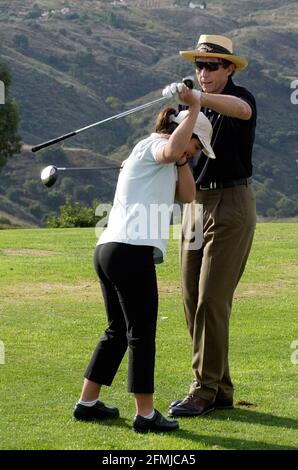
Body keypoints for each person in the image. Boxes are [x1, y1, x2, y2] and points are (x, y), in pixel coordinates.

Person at [73, 85, 215, 432]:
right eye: (197, 147)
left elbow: (188, 194)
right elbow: (171, 150)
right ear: (189, 135)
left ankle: (87, 403)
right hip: (129, 252)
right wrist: (195, 108)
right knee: (141, 333)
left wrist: (184, 153)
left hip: (109, 250)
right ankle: (146, 414)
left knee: (117, 330)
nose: (196, 155)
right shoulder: (156, 147)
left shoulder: (161, 154)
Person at [169, 35, 257, 418]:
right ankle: (219, 387)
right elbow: (175, 147)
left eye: (211, 66)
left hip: (232, 204)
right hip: (195, 204)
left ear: (229, 69)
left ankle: (202, 389)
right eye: (198, 66)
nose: (203, 73)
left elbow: (241, 111)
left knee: (211, 298)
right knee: (191, 298)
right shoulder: (192, 105)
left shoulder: (240, 97)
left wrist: (197, 101)